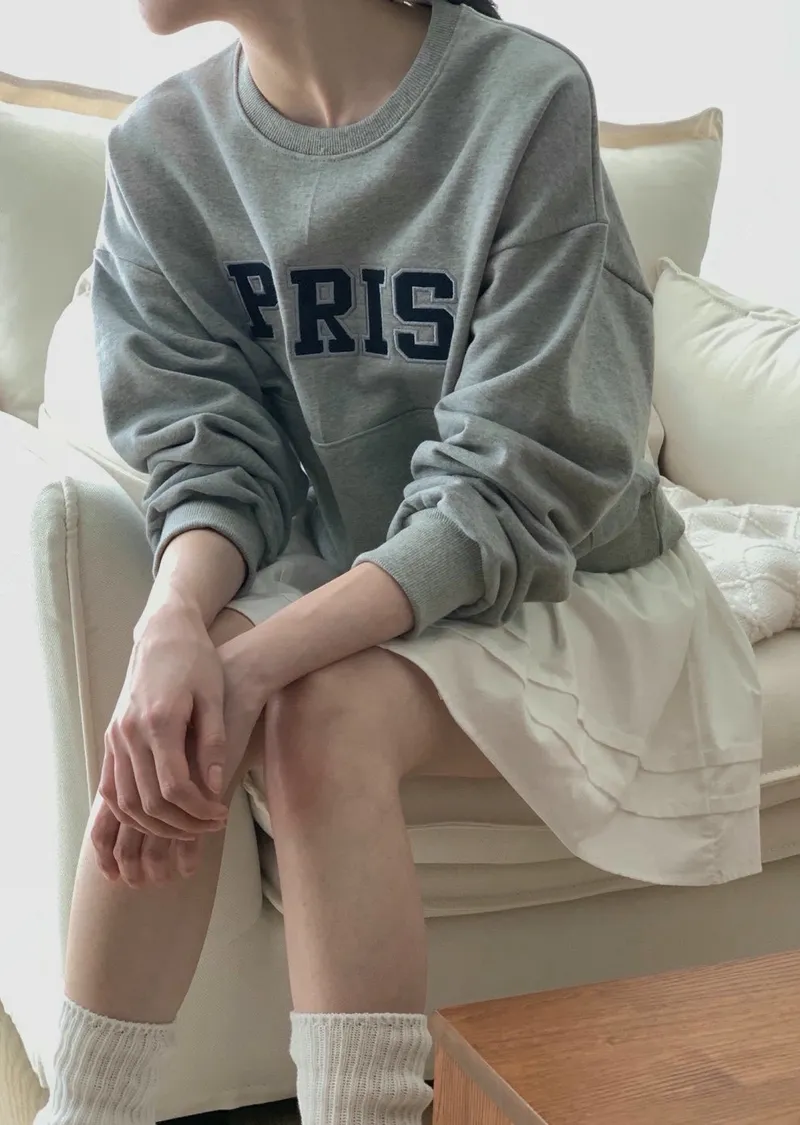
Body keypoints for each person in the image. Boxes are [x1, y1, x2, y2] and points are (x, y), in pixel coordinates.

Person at [36, 1, 763, 1123]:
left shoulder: (520, 102)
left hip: (567, 579)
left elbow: (512, 485)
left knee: (314, 713)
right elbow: (211, 453)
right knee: (179, 706)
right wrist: (171, 625)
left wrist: (254, 663)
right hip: (360, 562)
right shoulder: (164, 148)